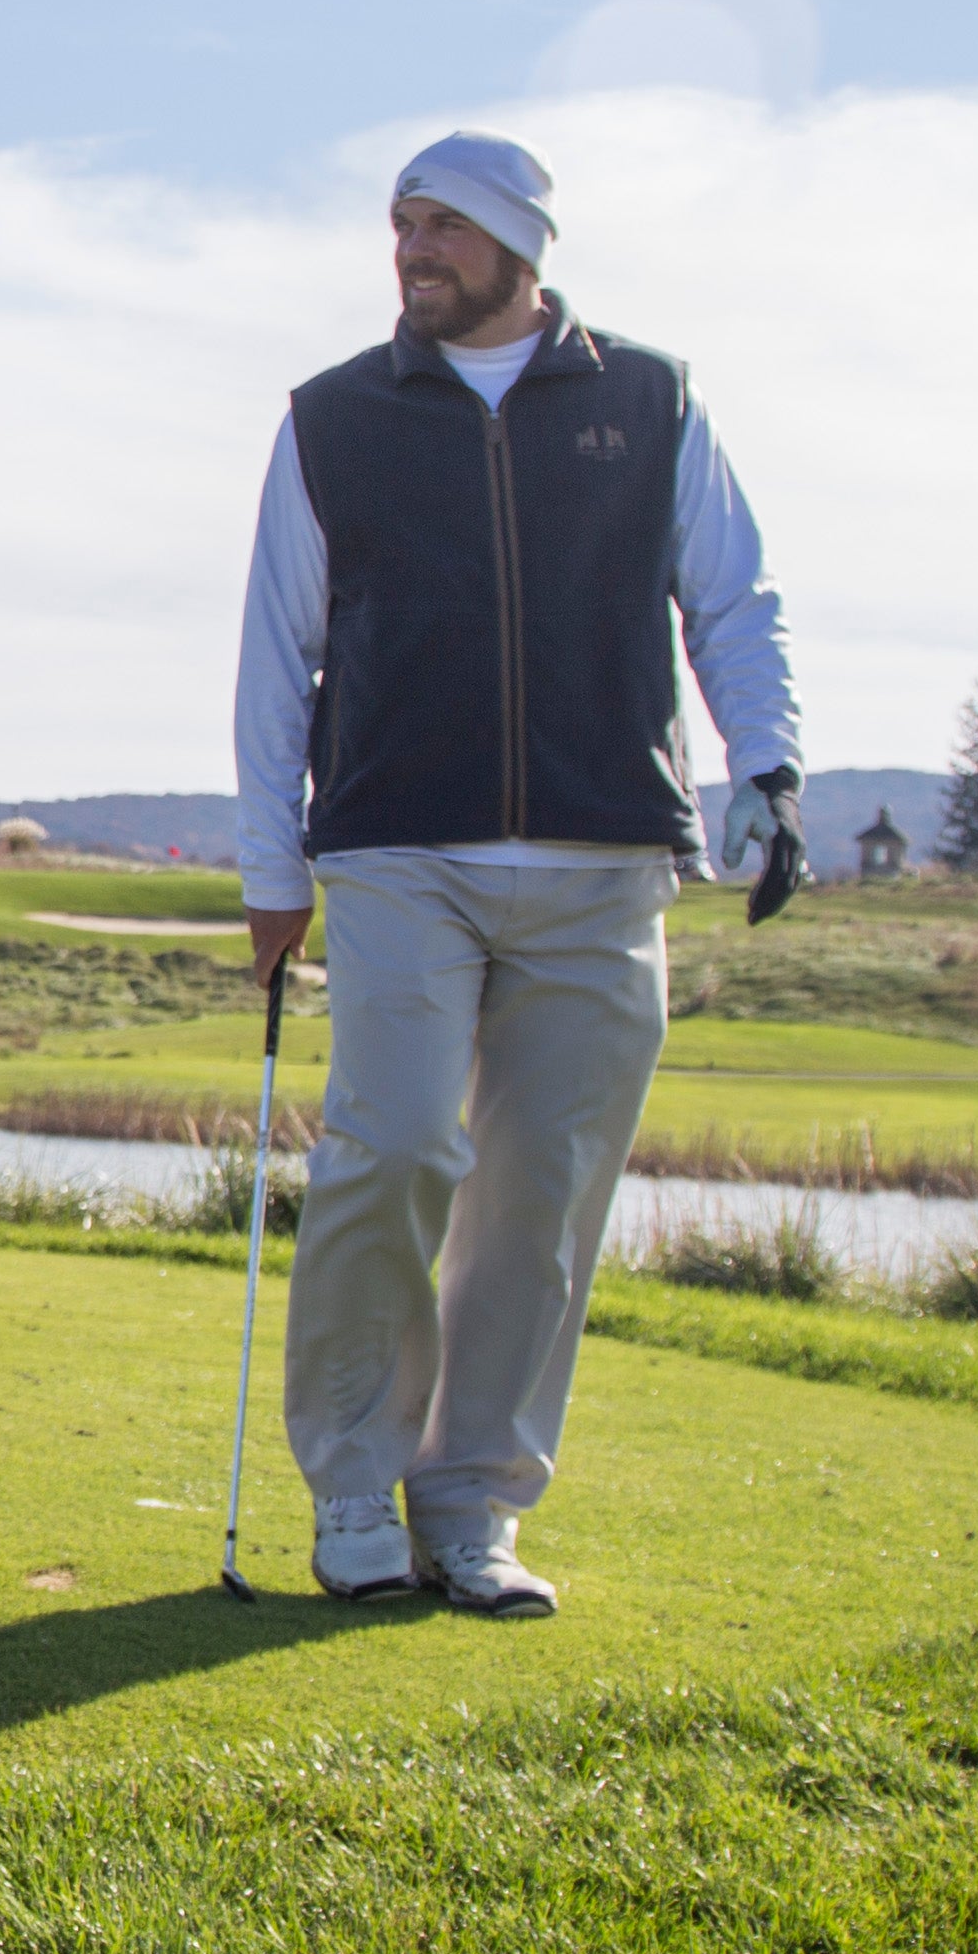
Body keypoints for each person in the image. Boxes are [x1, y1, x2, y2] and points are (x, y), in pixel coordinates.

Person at [231, 130, 803, 1615]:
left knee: (542, 1201)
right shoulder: (334, 417)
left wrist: (774, 770)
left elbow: (734, 602)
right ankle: (354, 1480)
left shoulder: (651, 402)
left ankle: (471, 1502)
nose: (414, 252)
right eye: (400, 226)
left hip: (605, 860)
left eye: (443, 229)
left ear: (519, 245)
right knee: (400, 1147)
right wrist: (266, 865)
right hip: (397, 847)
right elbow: (273, 660)